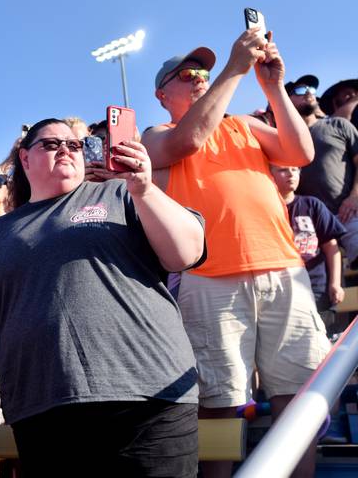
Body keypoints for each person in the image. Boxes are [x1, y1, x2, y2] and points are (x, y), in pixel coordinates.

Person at [0, 118, 205, 477]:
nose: (66, 150)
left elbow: (186, 253)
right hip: (42, 408)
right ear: (24, 158)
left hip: (147, 397)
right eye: (52, 144)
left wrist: (144, 189)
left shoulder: (122, 193)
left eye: (75, 145)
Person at [142, 29, 330, 477]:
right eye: (188, 74)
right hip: (210, 278)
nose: (200, 77)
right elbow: (187, 142)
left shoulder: (243, 123)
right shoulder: (157, 134)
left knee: (298, 396)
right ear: (162, 93)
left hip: (284, 269)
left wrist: (271, 86)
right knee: (220, 401)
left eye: (204, 71)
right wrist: (233, 69)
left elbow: (301, 153)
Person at [287, 75, 358, 268]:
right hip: (312, 225)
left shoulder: (338, 125)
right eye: (300, 91)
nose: (309, 93)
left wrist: (354, 197)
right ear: (287, 100)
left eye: (311, 89)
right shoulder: (284, 139)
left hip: (349, 213)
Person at [270, 164, 346, 334]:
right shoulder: (264, 210)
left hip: (316, 287)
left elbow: (331, 247)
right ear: (270, 174)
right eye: (283, 170)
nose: (290, 174)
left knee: (322, 338)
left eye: (295, 169)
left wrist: (335, 283)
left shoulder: (312, 205)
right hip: (282, 290)